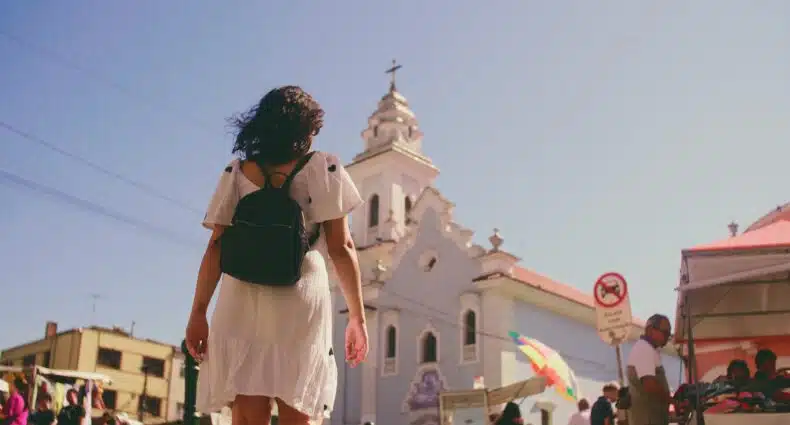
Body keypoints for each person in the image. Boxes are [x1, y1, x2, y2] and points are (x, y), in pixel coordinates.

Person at [185, 85, 368, 425]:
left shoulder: (237, 172)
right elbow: (341, 247)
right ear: (304, 130)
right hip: (300, 299)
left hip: (241, 300)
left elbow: (216, 246)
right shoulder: (324, 168)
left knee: (246, 413)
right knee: (298, 411)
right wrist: (357, 317)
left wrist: (198, 312)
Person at [626, 313, 673, 425]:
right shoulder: (644, 349)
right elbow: (650, 385)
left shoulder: (649, 349)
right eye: (665, 332)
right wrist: (672, 401)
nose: (668, 337)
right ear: (650, 330)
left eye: (669, 334)